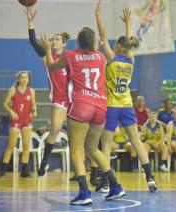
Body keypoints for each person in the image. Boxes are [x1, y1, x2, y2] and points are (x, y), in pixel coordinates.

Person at [41, 25, 125, 205]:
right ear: (93, 41)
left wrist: (48, 50)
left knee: (77, 149)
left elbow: (52, 66)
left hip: (81, 105)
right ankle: (115, 186)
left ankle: (84, 193)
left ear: (78, 42)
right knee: (93, 148)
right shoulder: (101, 57)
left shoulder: (70, 56)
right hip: (101, 106)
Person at [95, 0, 157, 192]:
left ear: (119, 46)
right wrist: (129, 24)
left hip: (112, 106)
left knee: (106, 144)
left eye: (116, 43)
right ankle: (150, 179)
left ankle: (105, 182)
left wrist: (98, 15)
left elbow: (103, 37)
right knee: (137, 142)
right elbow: (129, 42)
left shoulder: (112, 58)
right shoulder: (130, 59)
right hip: (127, 105)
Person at [24, 6, 72, 177]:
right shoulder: (47, 57)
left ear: (64, 43)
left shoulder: (70, 58)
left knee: (81, 135)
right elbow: (32, 42)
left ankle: (93, 170)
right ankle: (44, 162)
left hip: (74, 100)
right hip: (59, 100)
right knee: (56, 129)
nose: (54, 40)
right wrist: (31, 23)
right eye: (53, 38)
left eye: (57, 39)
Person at [0, 71, 37, 178]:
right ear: (18, 79)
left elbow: (34, 104)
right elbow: (5, 104)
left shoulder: (31, 91)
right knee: (11, 145)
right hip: (16, 121)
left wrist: (34, 110)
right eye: (22, 77)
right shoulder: (13, 90)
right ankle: (3, 170)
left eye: (26, 78)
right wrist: (11, 111)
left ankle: (24, 171)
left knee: (26, 145)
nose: (25, 80)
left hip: (27, 120)